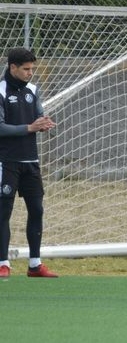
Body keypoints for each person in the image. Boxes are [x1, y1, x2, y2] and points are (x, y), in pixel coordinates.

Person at [0, 47, 58, 279]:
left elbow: (38, 115)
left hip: (30, 161)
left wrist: (43, 123)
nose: (30, 73)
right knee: (4, 212)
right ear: (12, 67)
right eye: (26, 69)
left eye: (32, 69)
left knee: (37, 210)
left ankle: (35, 264)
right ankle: (3, 263)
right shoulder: (1, 91)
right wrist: (30, 127)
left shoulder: (33, 90)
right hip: (6, 162)